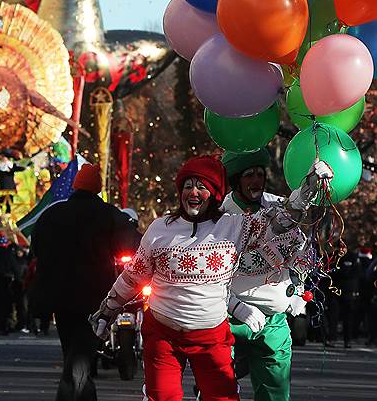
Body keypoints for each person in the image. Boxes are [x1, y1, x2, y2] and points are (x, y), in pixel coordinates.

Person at [93, 155, 332, 401]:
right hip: (164, 334)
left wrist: (308, 189)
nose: (193, 193)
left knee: (223, 397)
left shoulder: (233, 227)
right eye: (188, 186)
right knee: (162, 397)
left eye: (202, 187)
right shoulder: (159, 229)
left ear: (214, 194)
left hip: (211, 337)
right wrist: (108, 309)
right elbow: (133, 276)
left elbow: (280, 220)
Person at [31, 163, 139, 401]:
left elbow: (36, 248)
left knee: (72, 350)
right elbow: (132, 246)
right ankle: (67, 396)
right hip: (93, 296)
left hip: (58, 295)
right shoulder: (108, 214)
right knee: (80, 356)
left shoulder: (52, 214)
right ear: (97, 188)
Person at [220, 149, 306, 401]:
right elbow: (208, 274)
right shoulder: (218, 215)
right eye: (249, 175)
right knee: (217, 390)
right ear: (236, 180)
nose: (256, 181)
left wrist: (297, 290)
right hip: (227, 317)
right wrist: (235, 307)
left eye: (260, 174)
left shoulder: (279, 206)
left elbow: (300, 250)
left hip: (272, 318)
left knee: (276, 394)